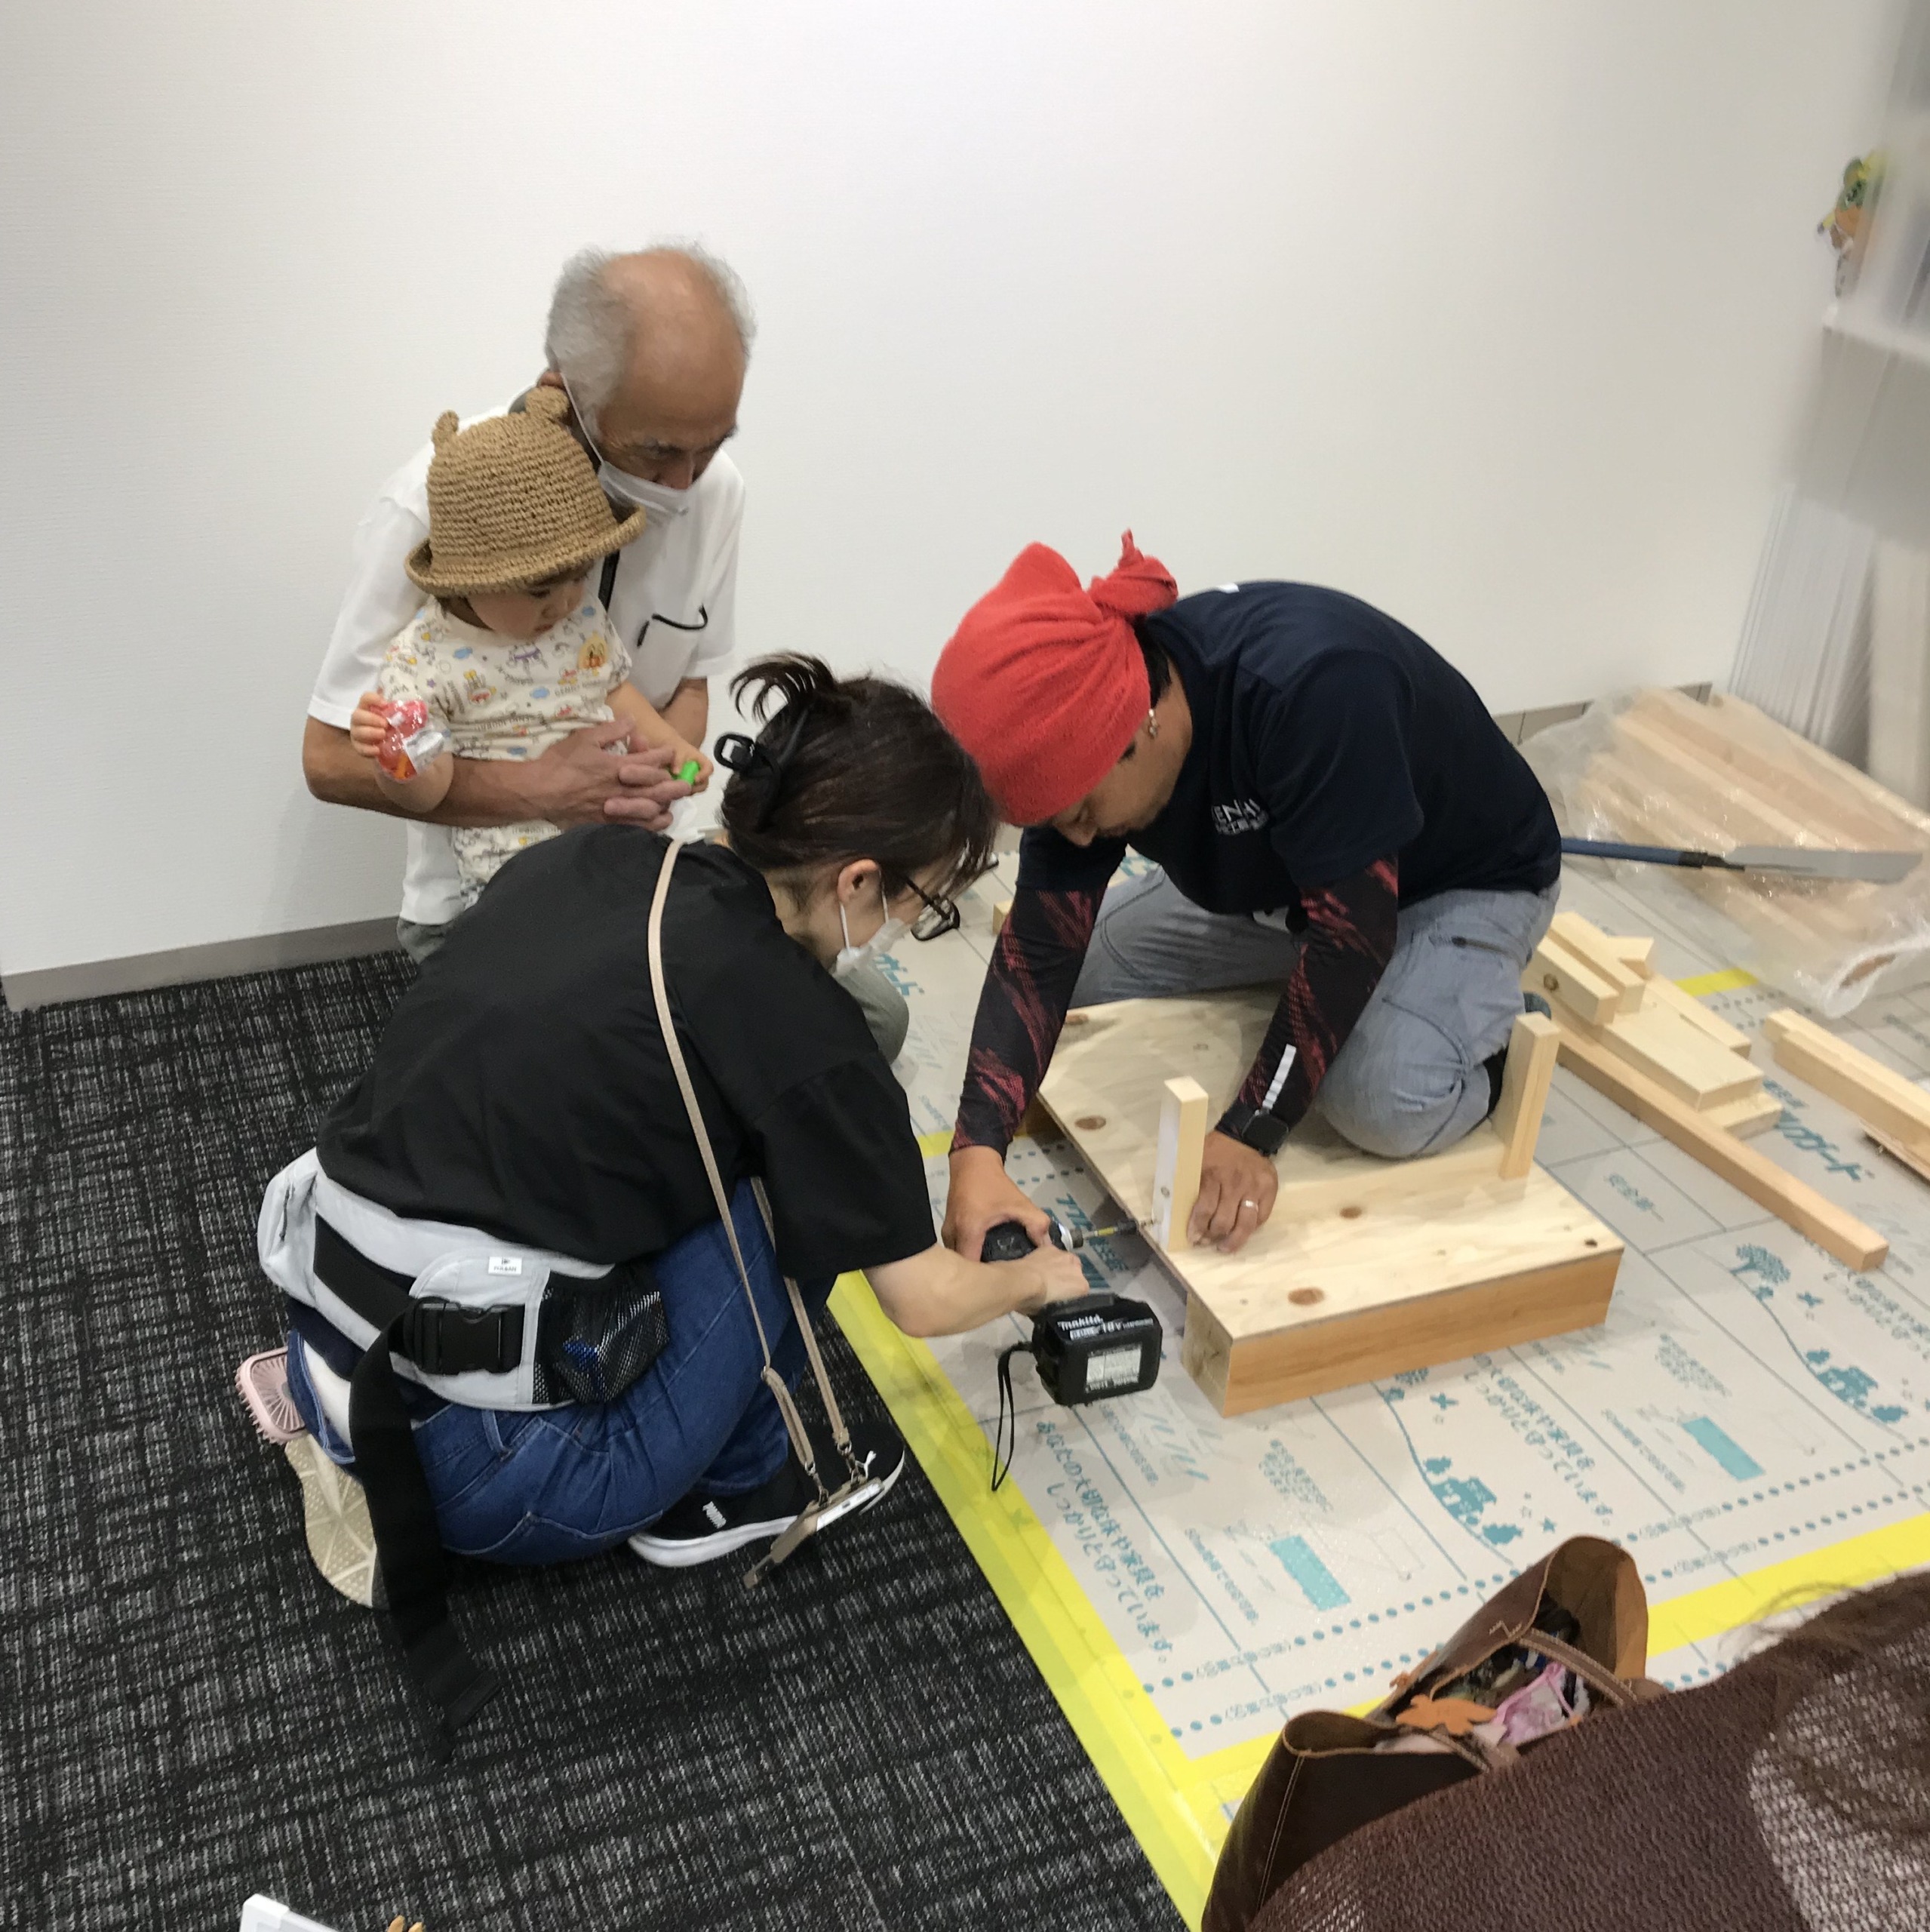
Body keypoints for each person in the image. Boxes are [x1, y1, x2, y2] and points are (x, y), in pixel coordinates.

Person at [257, 655, 1086, 1732]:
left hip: (334, 1330)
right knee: (800, 1186)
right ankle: (732, 1487)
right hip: (494, 1483)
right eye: (920, 903)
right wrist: (1039, 1281)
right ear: (856, 882)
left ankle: (361, 1422)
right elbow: (920, 1299)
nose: (904, 928)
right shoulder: (805, 1040)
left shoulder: (586, 856)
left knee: (699, 1124)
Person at [933, 534, 1563, 1262]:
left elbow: (1353, 935)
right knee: (1089, 976)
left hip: (1449, 883)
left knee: (1382, 1100)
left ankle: (1484, 1030)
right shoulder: (1081, 740)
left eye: (1081, 811)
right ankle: (1328, 997)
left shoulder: (1312, 690)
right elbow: (1041, 954)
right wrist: (977, 1151)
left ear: (1139, 723)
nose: (1075, 836)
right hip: (1293, 887)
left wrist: (1252, 1127)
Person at [303, 245, 746, 961]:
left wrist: (648, 782)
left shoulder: (717, 489)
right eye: (657, 452)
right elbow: (327, 761)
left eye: (712, 446)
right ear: (567, 396)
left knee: (844, 1008)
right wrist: (542, 788)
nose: (685, 483)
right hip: (488, 894)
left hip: (641, 857)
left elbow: (689, 684)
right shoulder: (438, 503)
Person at [346, 391, 711, 907]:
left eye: (580, 576)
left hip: (615, 846)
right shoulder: (422, 659)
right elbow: (433, 790)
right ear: (465, 580)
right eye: (539, 591)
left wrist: (673, 747)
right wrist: (398, 760)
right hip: (512, 879)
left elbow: (615, 692)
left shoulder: (580, 619)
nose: (565, 603)